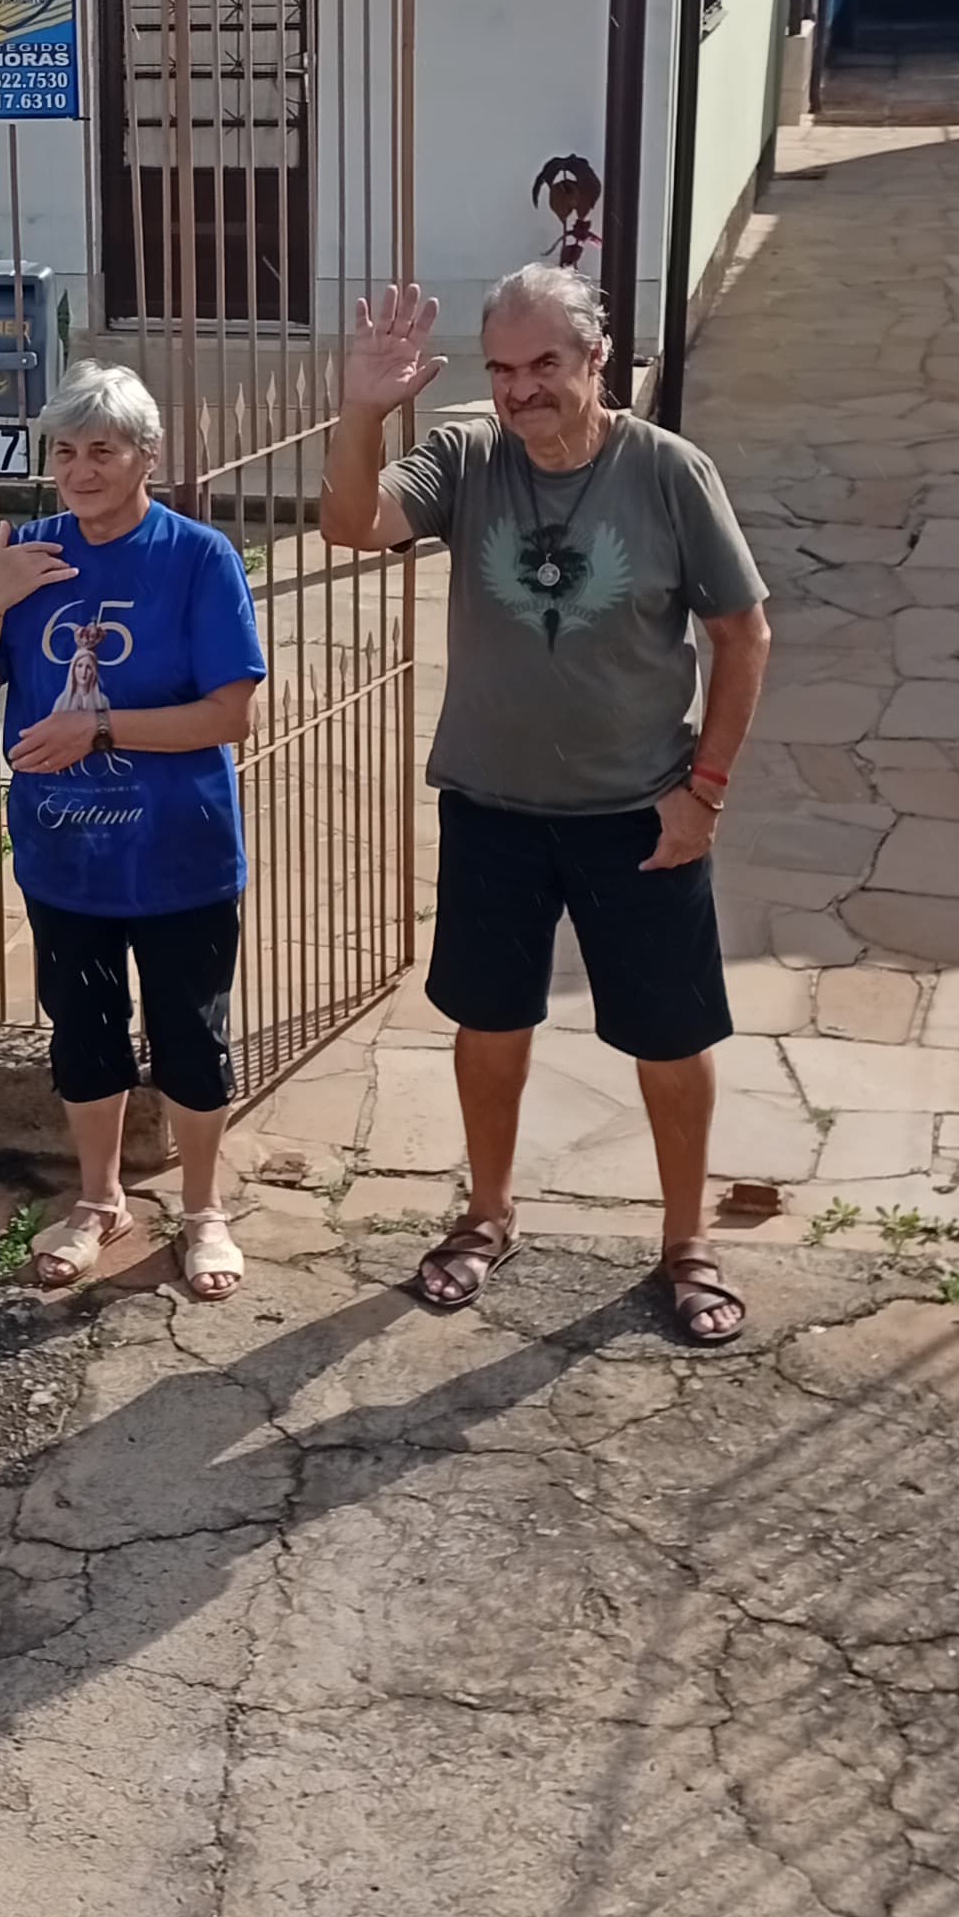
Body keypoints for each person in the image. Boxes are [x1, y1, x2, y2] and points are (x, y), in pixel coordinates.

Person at [319, 262, 773, 1347]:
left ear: (596, 359)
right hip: (494, 806)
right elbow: (351, 524)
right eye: (502, 368)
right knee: (490, 1022)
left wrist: (705, 794)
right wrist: (362, 412)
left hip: (640, 814)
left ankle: (686, 1242)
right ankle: (487, 1215)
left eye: (545, 364)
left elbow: (743, 633)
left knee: (671, 1036)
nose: (521, 389)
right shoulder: (470, 456)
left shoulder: (668, 472)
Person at [0, 360, 268, 1302]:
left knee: (192, 1040)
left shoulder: (199, 557)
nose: (80, 471)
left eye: (103, 450)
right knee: (84, 1036)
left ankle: (203, 1212)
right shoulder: (29, 553)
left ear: (146, 456)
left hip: (180, 856)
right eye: (65, 452)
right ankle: (99, 1202)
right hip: (65, 857)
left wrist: (100, 728)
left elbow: (230, 715)